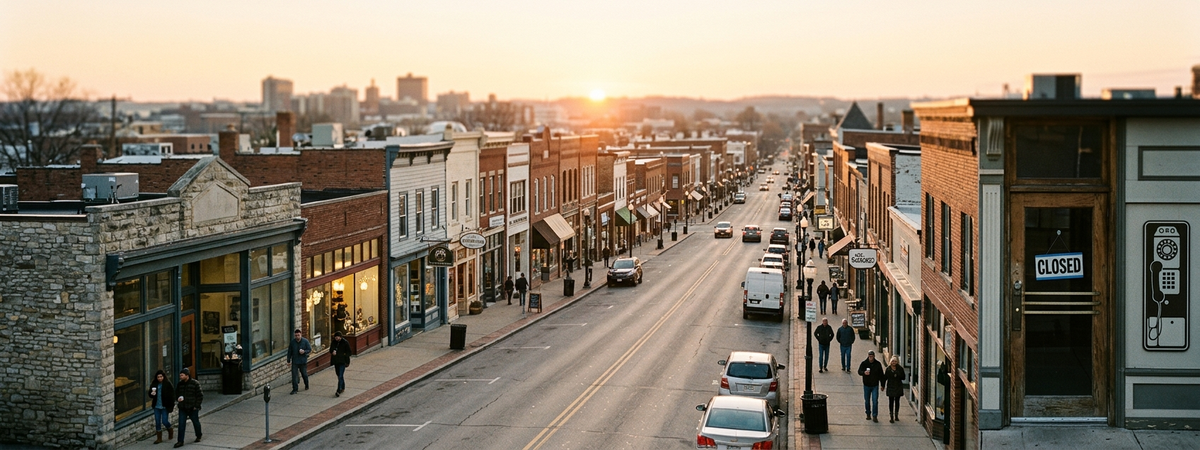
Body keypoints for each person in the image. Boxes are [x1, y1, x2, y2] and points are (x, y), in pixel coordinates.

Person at [174, 368, 202, 448]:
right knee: (181, 424)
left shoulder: (195, 383)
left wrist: (196, 406)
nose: (180, 376)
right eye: (180, 375)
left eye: (182, 375)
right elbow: (176, 393)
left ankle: (198, 435)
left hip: (192, 407)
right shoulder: (180, 384)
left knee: (195, 422)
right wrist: (178, 399)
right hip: (183, 407)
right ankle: (180, 441)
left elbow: (200, 395)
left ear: (187, 375)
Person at [148, 369, 175, 444]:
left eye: (161, 377)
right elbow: (150, 394)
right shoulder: (154, 384)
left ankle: (170, 429)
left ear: (163, 377)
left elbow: (172, 395)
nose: (159, 378)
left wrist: (171, 406)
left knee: (164, 421)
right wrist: (152, 394)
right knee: (157, 421)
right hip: (157, 406)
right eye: (158, 377)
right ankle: (159, 438)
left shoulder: (167, 384)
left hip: (164, 406)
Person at [858, 350, 885, 422]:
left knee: (875, 401)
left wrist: (882, 385)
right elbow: (859, 371)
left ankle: (875, 415)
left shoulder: (878, 364)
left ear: (874, 356)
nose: (871, 357)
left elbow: (881, 375)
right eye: (869, 356)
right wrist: (864, 372)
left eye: (872, 356)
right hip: (866, 385)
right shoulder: (864, 363)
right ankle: (868, 413)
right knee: (867, 400)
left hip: (875, 385)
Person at [883, 355, 908, 423]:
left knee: (897, 401)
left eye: (895, 361)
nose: (894, 362)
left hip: (898, 386)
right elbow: (885, 378)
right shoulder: (888, 369)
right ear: (890, 362)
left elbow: (903, 377)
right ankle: (891, 416)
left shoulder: (900, 369)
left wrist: (898, 374)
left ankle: (896, 415)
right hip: (891, 386)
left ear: (897, 362)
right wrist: (883, 385)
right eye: (893, 361)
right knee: (891, 402)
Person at [287, 329, 311, 394]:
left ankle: (306, 384)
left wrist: (304, 351)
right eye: (296, 335)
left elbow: (309, 349)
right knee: (294, 375)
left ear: (301, 335)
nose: (297, 337)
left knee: (304, 374)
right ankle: (295, 389)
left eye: (298, 335)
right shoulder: (292, 342)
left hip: (302, 361)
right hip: (295, 361)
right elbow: (289, 351)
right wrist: (288, 360)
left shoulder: (305, 341)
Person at [331, 331, 352, 397]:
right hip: (336, 361)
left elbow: (349, 352)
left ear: (340, 337)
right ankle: (343, 387)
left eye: (337, 337)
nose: (336, 338)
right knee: (339, 375)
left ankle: (338, 390)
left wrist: (345, 357)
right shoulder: (334, 342)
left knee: (340, 375)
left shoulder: (345, 343)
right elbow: (330, 349)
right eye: (335, 337)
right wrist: (332, 351)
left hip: (342, 362)